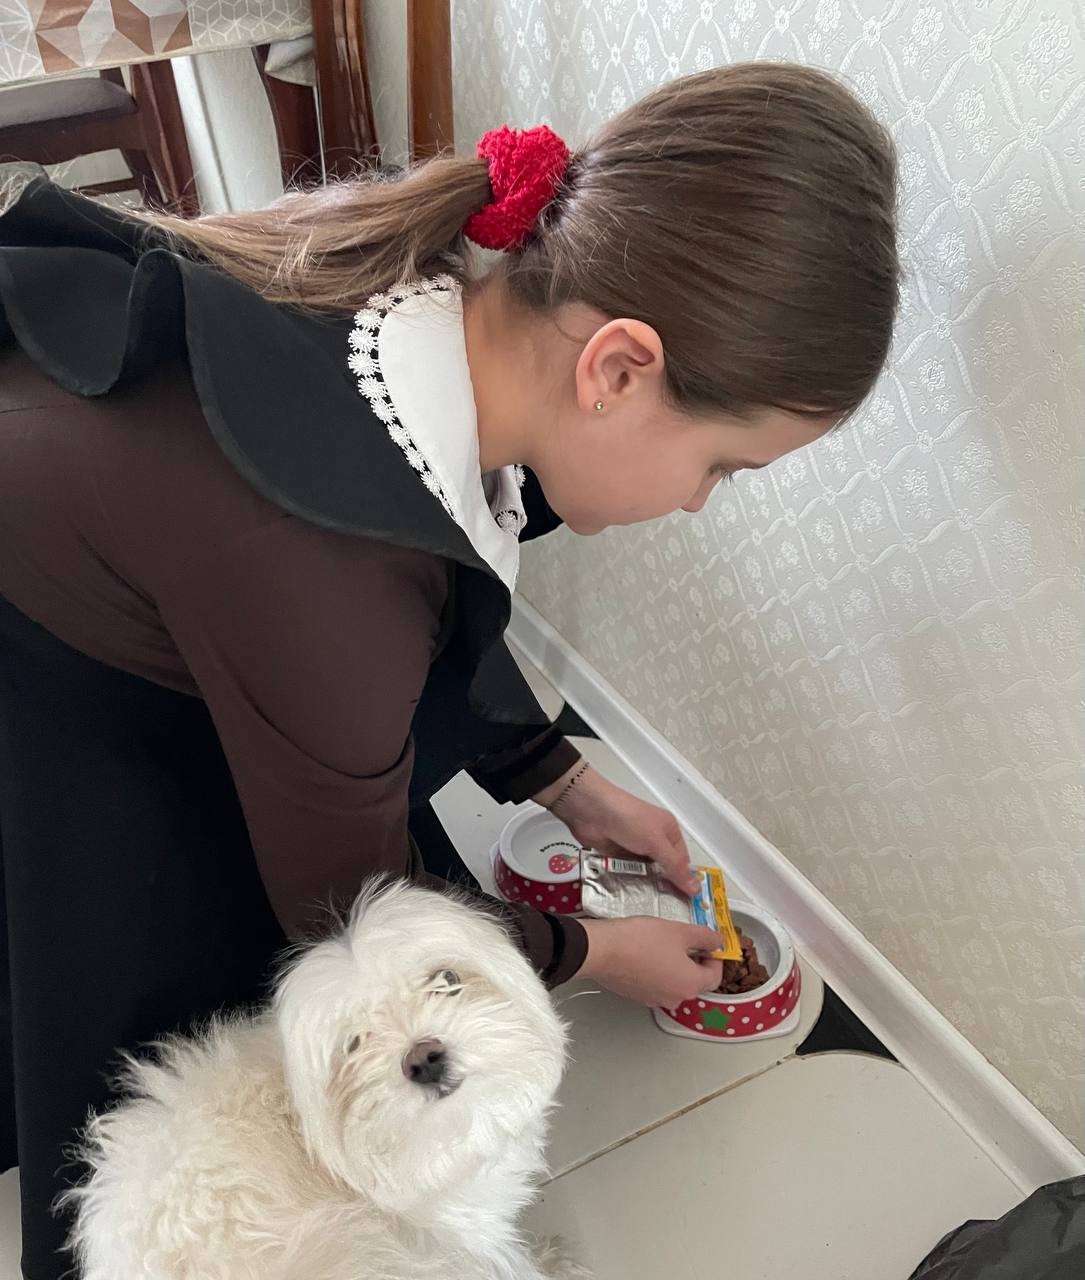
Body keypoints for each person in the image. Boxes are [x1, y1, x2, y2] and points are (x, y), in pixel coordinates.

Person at [0, 61, 898, 1280]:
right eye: (721, 467)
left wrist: (562, 779)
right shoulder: (320, 579)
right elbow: (354, 917)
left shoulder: (440, 310)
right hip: (51, 656)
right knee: (169, 955)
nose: (697, 502)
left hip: (157, 562)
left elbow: (433, 599)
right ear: (616, 369)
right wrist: (592, 950)